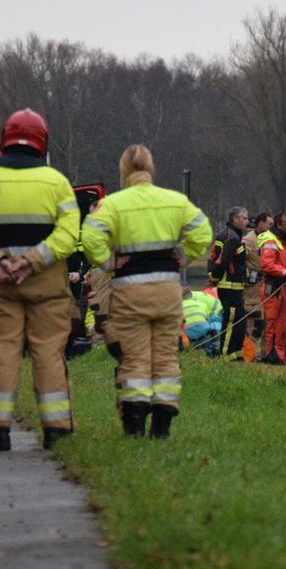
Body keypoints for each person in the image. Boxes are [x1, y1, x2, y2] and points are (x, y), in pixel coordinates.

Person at [0, 108, 80, 453]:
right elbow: (69, 234)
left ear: (6, 137)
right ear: (42, 142)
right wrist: (33, 261)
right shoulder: (57, 183)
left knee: (3, 352)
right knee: (48, 353)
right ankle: (56, 430)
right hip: (47, 285)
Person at [81, 144, 211, 438]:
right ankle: (162, 425)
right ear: (150, 168)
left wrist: (108, 261)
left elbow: (89, 236)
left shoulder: (113, 204)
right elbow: (203, 233)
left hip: (130, 290)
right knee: (166, 355)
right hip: (167, 289)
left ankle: (135, 426)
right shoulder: (175, 201)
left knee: (135, 357)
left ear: (124, 170)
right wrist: (184, 255)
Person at [258, 211, 286, 364]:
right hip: (275, 288)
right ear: (279, 225)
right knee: (275, 324)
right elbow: (267, 265)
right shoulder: (270, 240)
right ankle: (274, 357)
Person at [207, 206, 249, 361]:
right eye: (243, 218)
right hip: (229, 286)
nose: (246, 221)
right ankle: (226, 355)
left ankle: (236, 353)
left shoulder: (233, 236)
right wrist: (214, 278)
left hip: (236, 287)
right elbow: (221, 261)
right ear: (234, 219)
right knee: (231, 321)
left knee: (240, 323)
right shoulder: (231, 237)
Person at [242, 213, 271, 360]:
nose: (271, 228)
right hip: (252, 290)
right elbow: (238, 260)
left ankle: (264, 356)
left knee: (266, 323)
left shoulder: (270, 240)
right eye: (269, 224)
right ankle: (252, 357)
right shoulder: (248, 240)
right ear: (260, 224)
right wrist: (247, 275)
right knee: (255, 323)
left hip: (266, 287)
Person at [181, 287, 223, 357]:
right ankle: (214, 354)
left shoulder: (178, 306)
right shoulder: (200, 303)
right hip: (210, 320)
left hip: (217, 312)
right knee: (214, 333)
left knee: (215, 329)